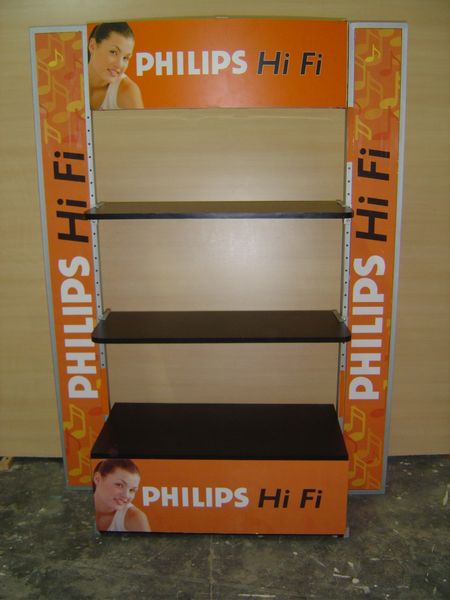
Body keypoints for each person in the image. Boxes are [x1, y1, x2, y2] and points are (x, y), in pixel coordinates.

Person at [88, 22, 144, 110]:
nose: (119, 65)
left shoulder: (128, 91)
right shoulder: (69, 78)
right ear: (92, 46)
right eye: (113, 52)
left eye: (125, 58)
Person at [93, 458, 151, 532]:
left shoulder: (135, 518)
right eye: (119, 485)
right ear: (97, 479)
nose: (126, 495)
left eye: (132, 490)